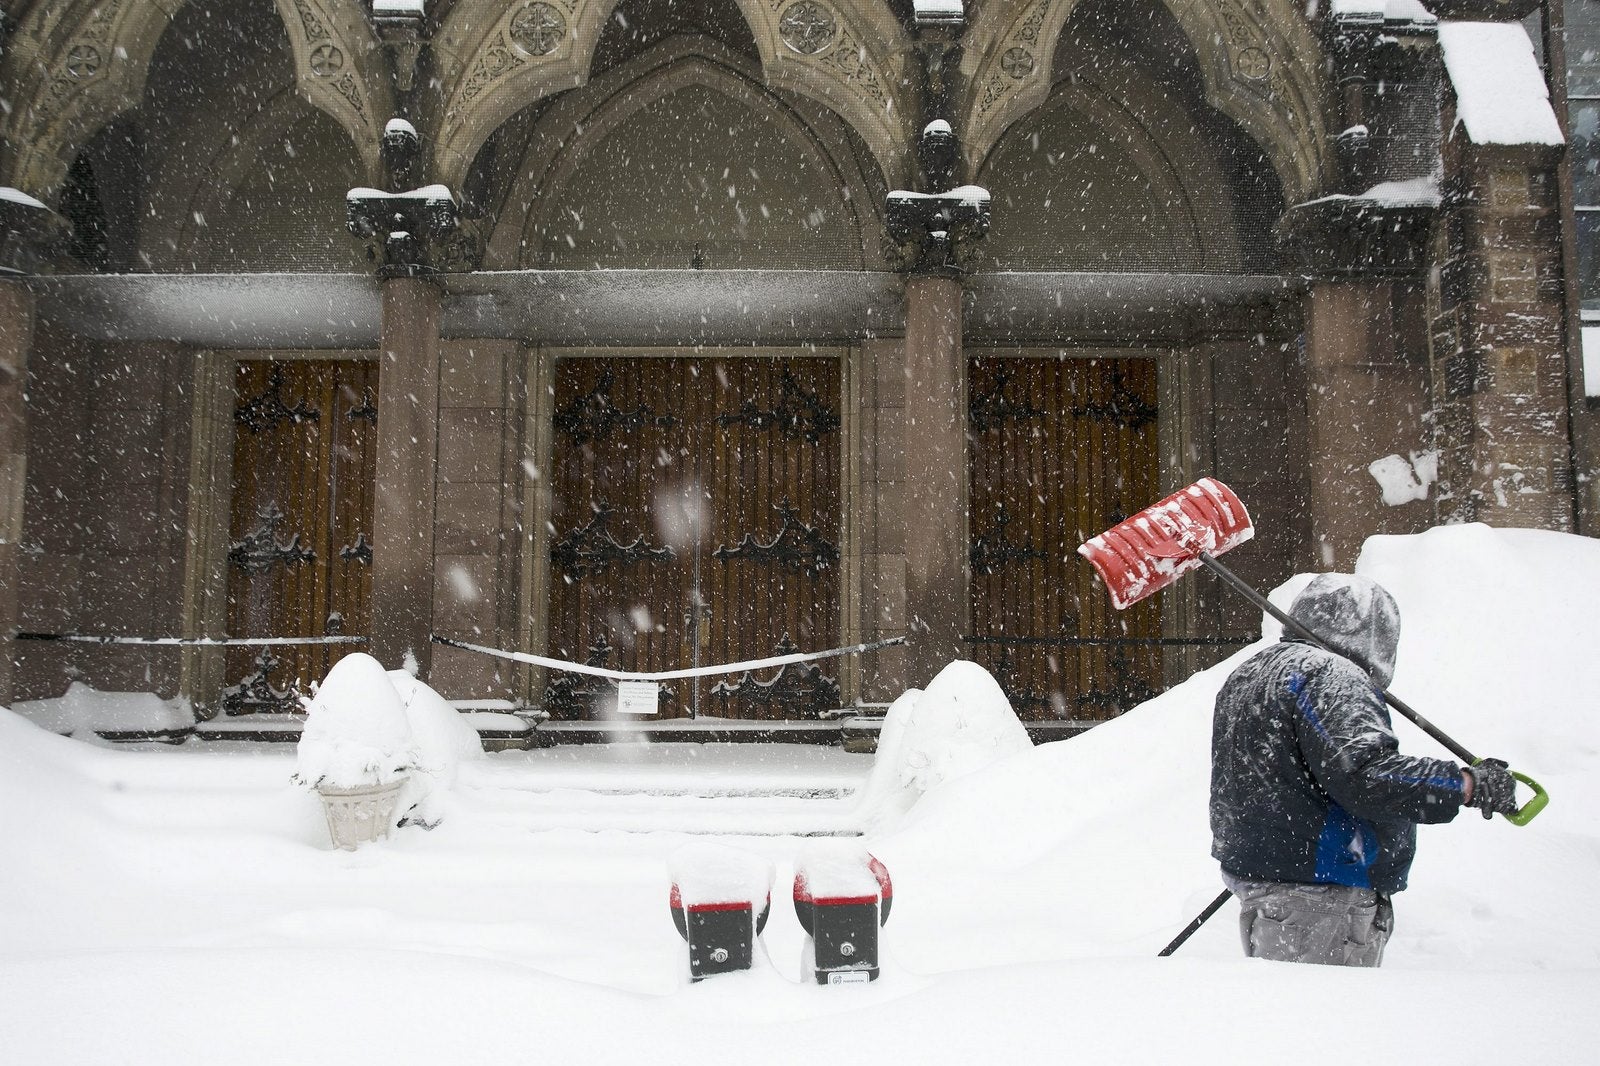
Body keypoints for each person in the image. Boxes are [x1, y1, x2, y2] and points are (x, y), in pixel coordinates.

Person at [1209, 573, 1519, 966]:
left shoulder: (1256, 671)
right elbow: (1366, 776)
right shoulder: (1330, 677)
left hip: (1274, 878)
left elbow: (1282, 773)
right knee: (1327, 1022)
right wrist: (1465, 784)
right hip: (1323, 893)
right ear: (1377, 634)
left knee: (1290, 1018)